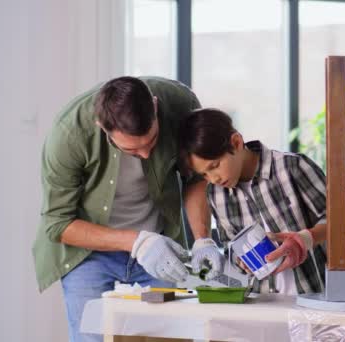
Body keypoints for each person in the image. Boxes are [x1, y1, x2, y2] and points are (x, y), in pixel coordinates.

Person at [33, 76, 224, 341]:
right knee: (93, 337)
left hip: (161, 247)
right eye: (133, 150)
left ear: (155, 107)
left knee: (168, 336)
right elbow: (58, 223)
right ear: (102, 127)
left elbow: (195, 178)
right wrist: (139, 242)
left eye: (152, 141)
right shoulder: (69, 134)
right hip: (87, 255)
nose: (146, 154)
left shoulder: (181, 105)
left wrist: (203, 240)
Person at [177, 108, 345, 295]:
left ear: (236, 143)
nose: (213, 178)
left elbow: (342, 217)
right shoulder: (215, 194)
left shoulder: (292, 167)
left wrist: (304, 240)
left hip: (313, 298)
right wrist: (237, 262)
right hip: (260, 306)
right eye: (204, 174)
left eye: (214, 166)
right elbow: (232, 249)